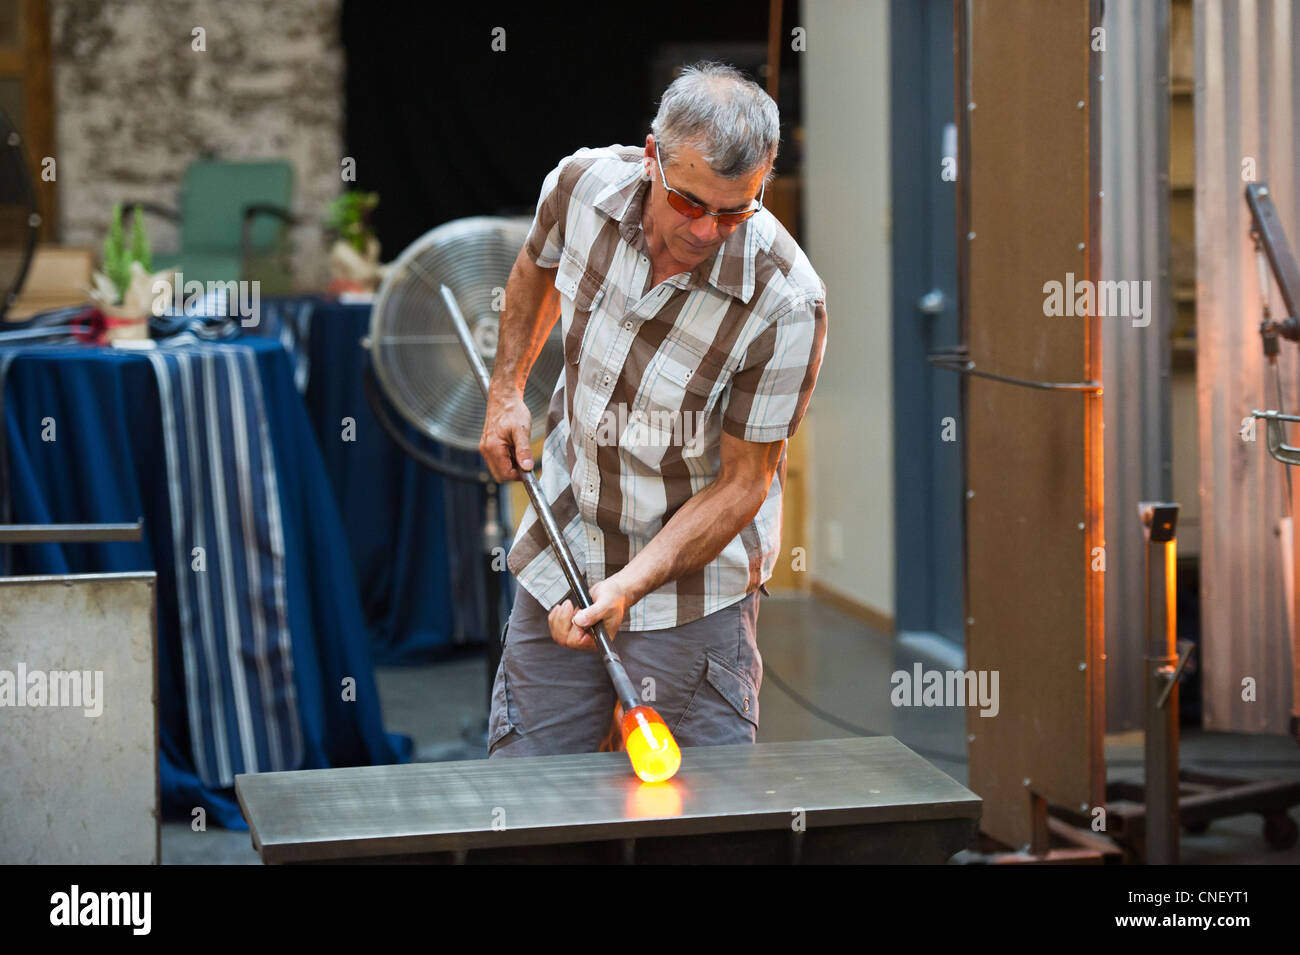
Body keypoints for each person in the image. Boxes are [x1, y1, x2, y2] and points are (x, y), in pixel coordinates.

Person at [481, 60, 828, 758]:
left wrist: (630, 585)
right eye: (691, 203)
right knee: (527, 800)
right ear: (651, 158)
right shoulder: (582, 188)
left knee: (702, 818)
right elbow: (534, 268)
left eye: (736, 210)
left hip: (694, 594)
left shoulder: (787, 302)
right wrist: (507, 390)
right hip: (566, 547)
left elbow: (744, 483)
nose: (707, 232)